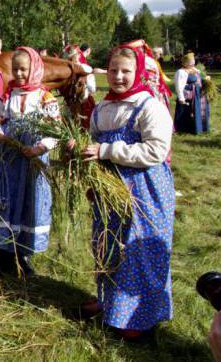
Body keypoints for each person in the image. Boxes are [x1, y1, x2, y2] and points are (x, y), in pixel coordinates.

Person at [71, 44, 175, 341]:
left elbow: (156, 150)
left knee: (138, 249)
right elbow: (91, 138)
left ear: (138, 72)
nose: (118, 76)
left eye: (126, 71)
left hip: (143, 189)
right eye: (114, 70)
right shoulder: (104, 107)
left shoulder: (148, 105)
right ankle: (110, 303)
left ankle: (138, 319)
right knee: (107, 243)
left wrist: (106, 150)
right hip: (110, 189)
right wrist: (79, 149)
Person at [0, 46, 60, 277]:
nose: (19, 74)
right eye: (15, 69)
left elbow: (56, 130)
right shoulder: (7, 95)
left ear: (35, 69)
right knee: (5, 200)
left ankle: (22, 255)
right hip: (8, 158)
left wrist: (40, 147)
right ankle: (1, 254)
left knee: (30, 202)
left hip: (32, 160)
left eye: (24, 69)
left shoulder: (45, 97)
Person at [174, 52, 210, 134]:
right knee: (186, 112)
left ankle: (199, 128)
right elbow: (179, 86)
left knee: (198, 111)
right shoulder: (181, 72)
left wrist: (205, 80)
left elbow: (199, 79)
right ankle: (184, 129)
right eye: (191, 62)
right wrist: (181, 98)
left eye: (193, 62)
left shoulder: (195, 70)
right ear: (185, 63)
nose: (193, 64)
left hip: (198, 94)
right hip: (189, 95)